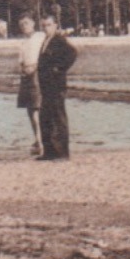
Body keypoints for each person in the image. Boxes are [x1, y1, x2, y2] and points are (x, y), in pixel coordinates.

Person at [35, 14, 78, 160]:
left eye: (48, 25)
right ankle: (49, 151)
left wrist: (59, 68)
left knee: (58, 117)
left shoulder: (59, 40)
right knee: (45, 117)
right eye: (44, 25)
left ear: (55, 26)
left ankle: (62, 153)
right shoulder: (46, 40)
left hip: (56, 85)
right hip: (46, 85)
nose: (46, 28)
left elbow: (72, 53)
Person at [15, 15, 45, 154]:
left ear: (33, 23)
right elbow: (21, 60)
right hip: (26, 75)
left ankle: (41, 140)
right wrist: (22, 69)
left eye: (26, 23)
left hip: (37, 74)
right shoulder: (23, 42)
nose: (24, 26)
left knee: (37, 108)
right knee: (29, 109)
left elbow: (44, 55)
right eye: (22, 24)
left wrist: (36, 67)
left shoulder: (40, 37)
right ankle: (37, 138)